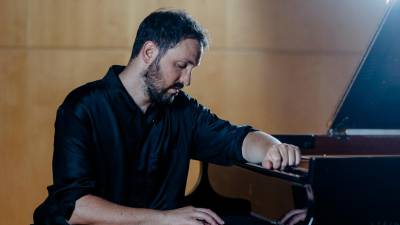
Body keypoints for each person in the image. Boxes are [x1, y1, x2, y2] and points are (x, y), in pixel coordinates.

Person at [33, 9, 301, 225]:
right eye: (181, 66)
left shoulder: (183, 110)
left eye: (191, 68)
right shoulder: (82, 107)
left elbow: (237, 139)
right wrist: (162, 219)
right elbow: (76, 208)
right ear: (149, 53)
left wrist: (272, 147)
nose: (187, 79)